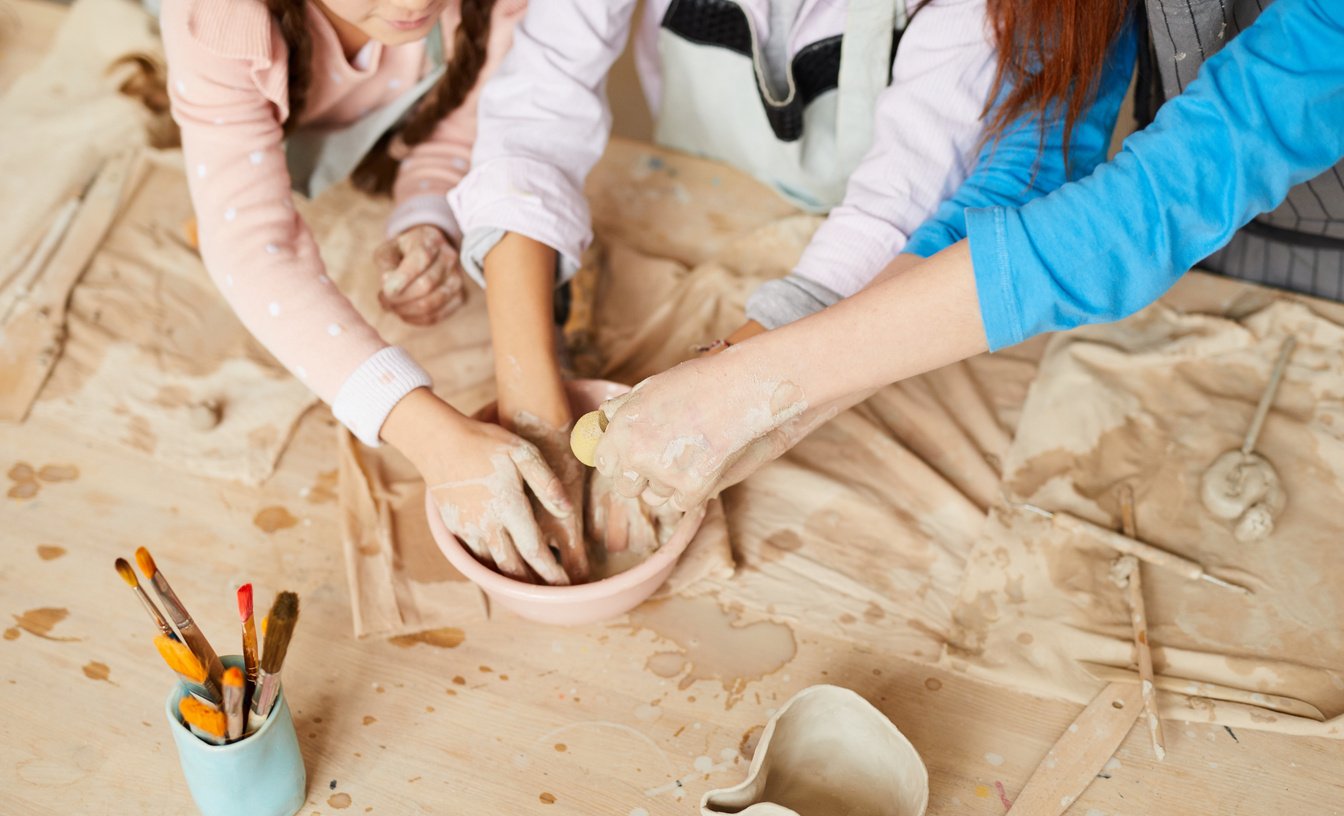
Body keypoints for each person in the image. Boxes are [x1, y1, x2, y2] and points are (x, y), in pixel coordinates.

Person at [448, 0, 1133, 578]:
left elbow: (897, 204)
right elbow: (536, 112)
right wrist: (533, 405)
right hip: (702, 187)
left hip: (871, 255)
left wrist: (743, 380)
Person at [591, 0, 1344, 512]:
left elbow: (1151, 209)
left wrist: (770, 380)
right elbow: (1028, 160)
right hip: (1193, 249)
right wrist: (784, 404)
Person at [162, 0, 597, 586]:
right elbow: (251, 246)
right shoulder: (214, 21)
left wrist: (424, 219)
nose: (414, 2)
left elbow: (468, 125)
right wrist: (425, 432)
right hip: (234, 100)